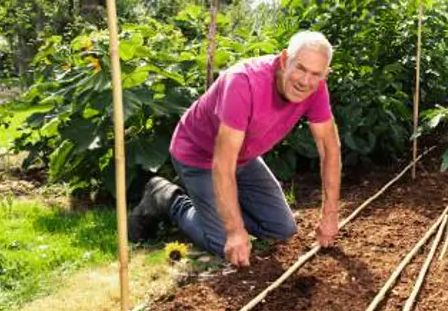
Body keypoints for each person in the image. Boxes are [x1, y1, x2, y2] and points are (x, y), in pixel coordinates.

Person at [127, 31, 341, 267]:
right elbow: (222, 162)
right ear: (283, 59)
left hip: (245, 157)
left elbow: (328, 148)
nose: (305, 81)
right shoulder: (244, 82)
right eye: (300, 68)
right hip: (199, 156)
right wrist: (235, 230)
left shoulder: (315, 88)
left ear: (324, 74)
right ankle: (168, 199)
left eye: (315, 74)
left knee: (282, 229)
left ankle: (219, 205)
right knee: (225, 243)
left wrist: (330, 214)